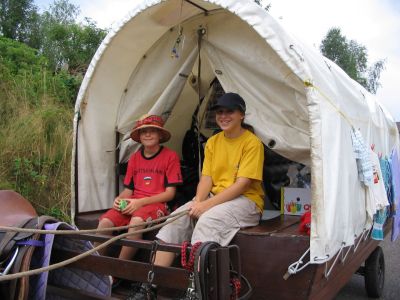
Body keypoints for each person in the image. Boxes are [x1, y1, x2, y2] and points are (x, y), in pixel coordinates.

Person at [131, 93, 264, 299]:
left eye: (230, 111)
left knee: (207, 221)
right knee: (177, 219)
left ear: (241, 115)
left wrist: (206, 206)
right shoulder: (213, 142)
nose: (223, 116)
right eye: (220, 112)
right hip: (215, 196)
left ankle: (196, 292)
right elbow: (206, 178)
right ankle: (150, 286)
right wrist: (198, 202)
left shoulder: (252, 143)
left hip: (247, 201)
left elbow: (242, 185)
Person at [96, 114, 182, 264]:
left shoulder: (170, 156)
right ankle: (94, 265)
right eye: (143, 131)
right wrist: (119, 199)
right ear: (139, 136)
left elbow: (170, 194)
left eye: (152, 130)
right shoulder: (135, 158)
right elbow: (128, 191)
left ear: (160, 134)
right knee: (105, 222)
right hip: (134, 202)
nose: (148, 134)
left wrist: (140, 202)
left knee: (136, 222)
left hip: (157, 204)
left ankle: (119, 269)